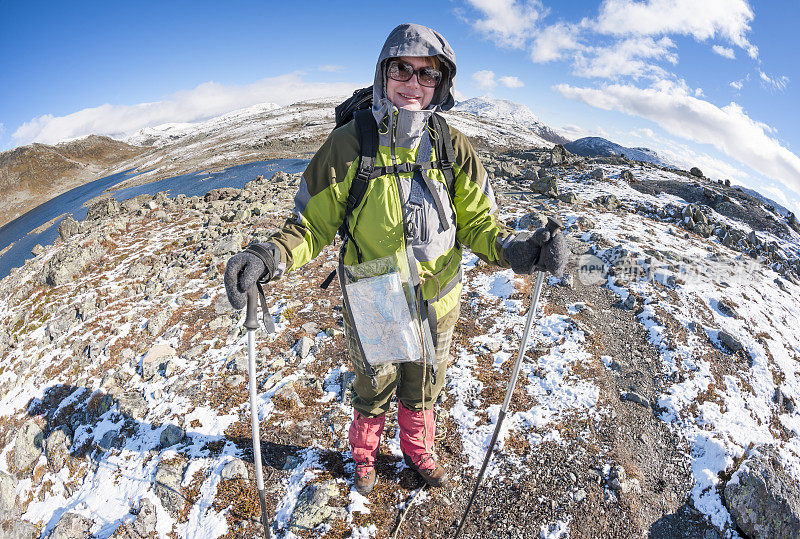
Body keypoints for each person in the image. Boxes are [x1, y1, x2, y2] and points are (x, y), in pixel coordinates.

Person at [224, 23, 567, 496]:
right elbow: (312, 224)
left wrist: (519, 251)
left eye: (428, 75)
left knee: (424, 383)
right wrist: (270, 256)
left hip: (438, 299)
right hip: (374, 297)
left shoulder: (452, 147)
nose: (413, 82)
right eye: (402, 68)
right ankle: (364, 455)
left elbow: (480, 225)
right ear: (383, 73)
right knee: (374, 385)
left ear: (440, 86)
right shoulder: (350, 143)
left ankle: (417, 450)